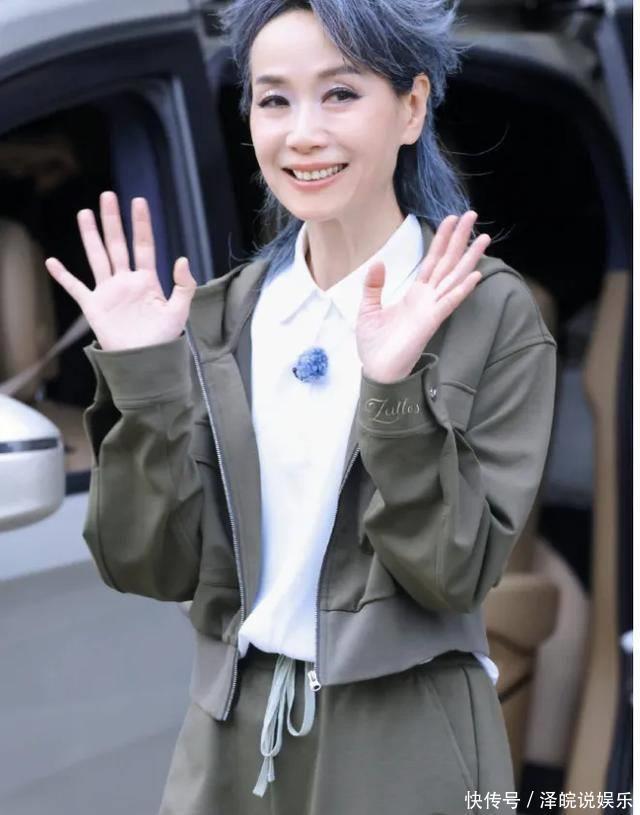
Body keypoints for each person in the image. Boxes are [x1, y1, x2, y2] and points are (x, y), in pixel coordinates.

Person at [44, 0, 557, 813]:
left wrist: (392, 393)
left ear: (412, 107)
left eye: (341, 94)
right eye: (274, 99)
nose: (303, 134)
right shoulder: (218, 316)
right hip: (227, 738)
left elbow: (451, 571)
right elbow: (147, 564)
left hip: (404, 741)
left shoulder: (487, 314)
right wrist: (144, 377)